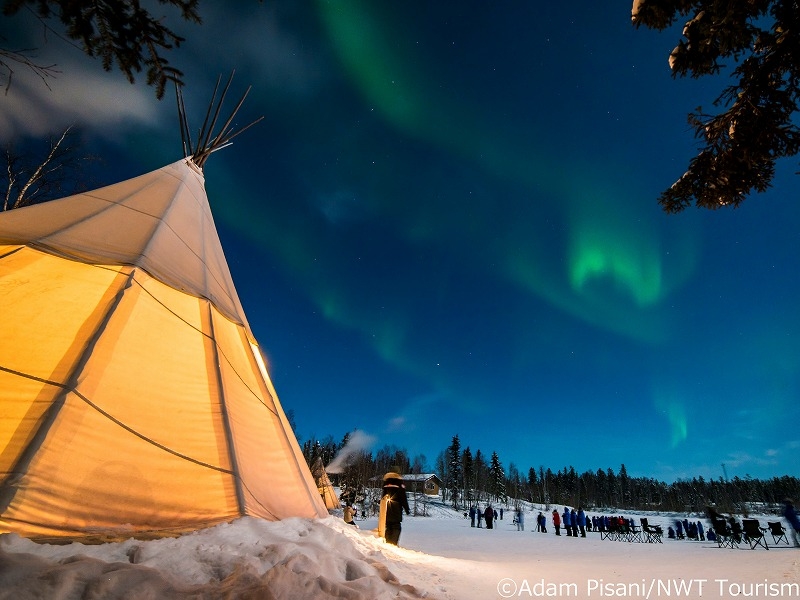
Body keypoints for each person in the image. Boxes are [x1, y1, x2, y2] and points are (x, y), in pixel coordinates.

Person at [381, 471, 410, 546]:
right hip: (396, 508)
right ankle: (393, 544)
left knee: (388, 526)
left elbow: (383, 497)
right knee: (396, 526)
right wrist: (407, 509)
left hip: (387, 508)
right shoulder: (399, 484)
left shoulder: (386, 484)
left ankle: (387, 543)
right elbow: (403, 498)